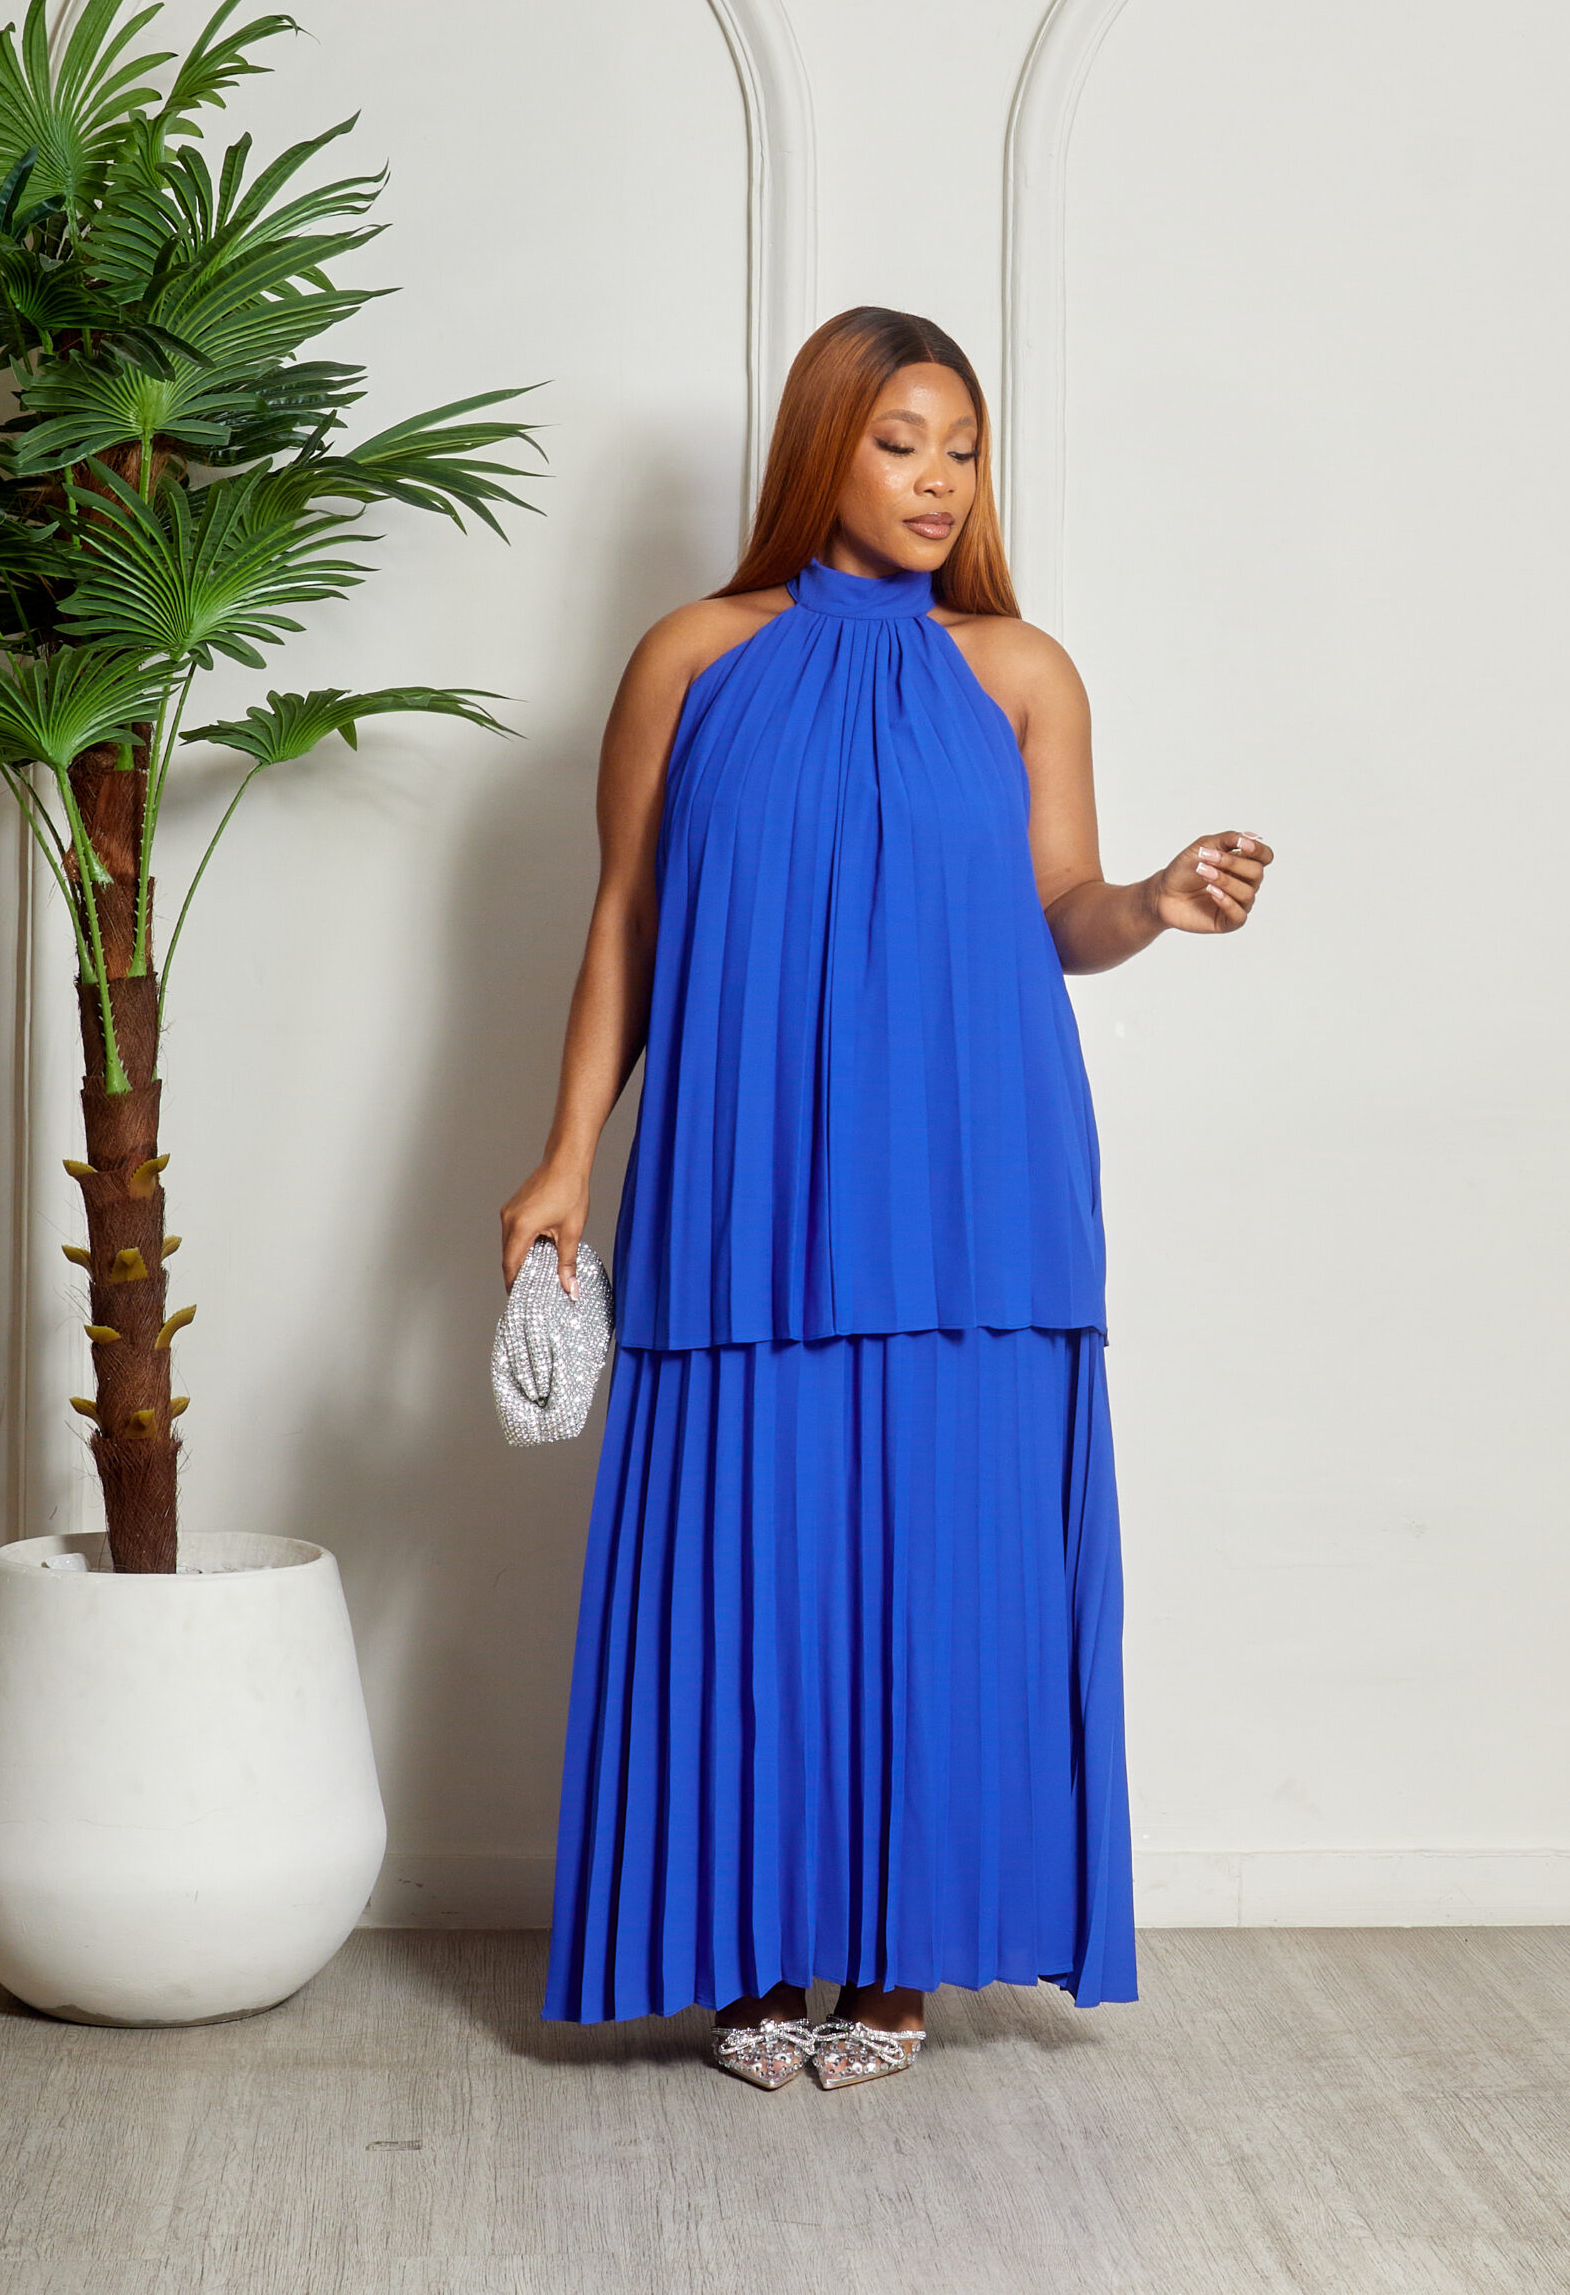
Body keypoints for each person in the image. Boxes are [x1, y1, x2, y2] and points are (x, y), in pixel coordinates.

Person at [501, 305, 1272, 2090]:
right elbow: (626, 922)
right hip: (746, 1177)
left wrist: (1152, 902)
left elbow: (1062, 911)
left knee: (949, 1571)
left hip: (979, 1180)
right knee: (752, 1567)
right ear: (820, 450)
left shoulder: (1021, 671)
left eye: (965, 451)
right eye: (902, 443)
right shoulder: (694, 656)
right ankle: (756, 1952)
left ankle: (902, 1968)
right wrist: (565, 1156)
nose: (940, 482)